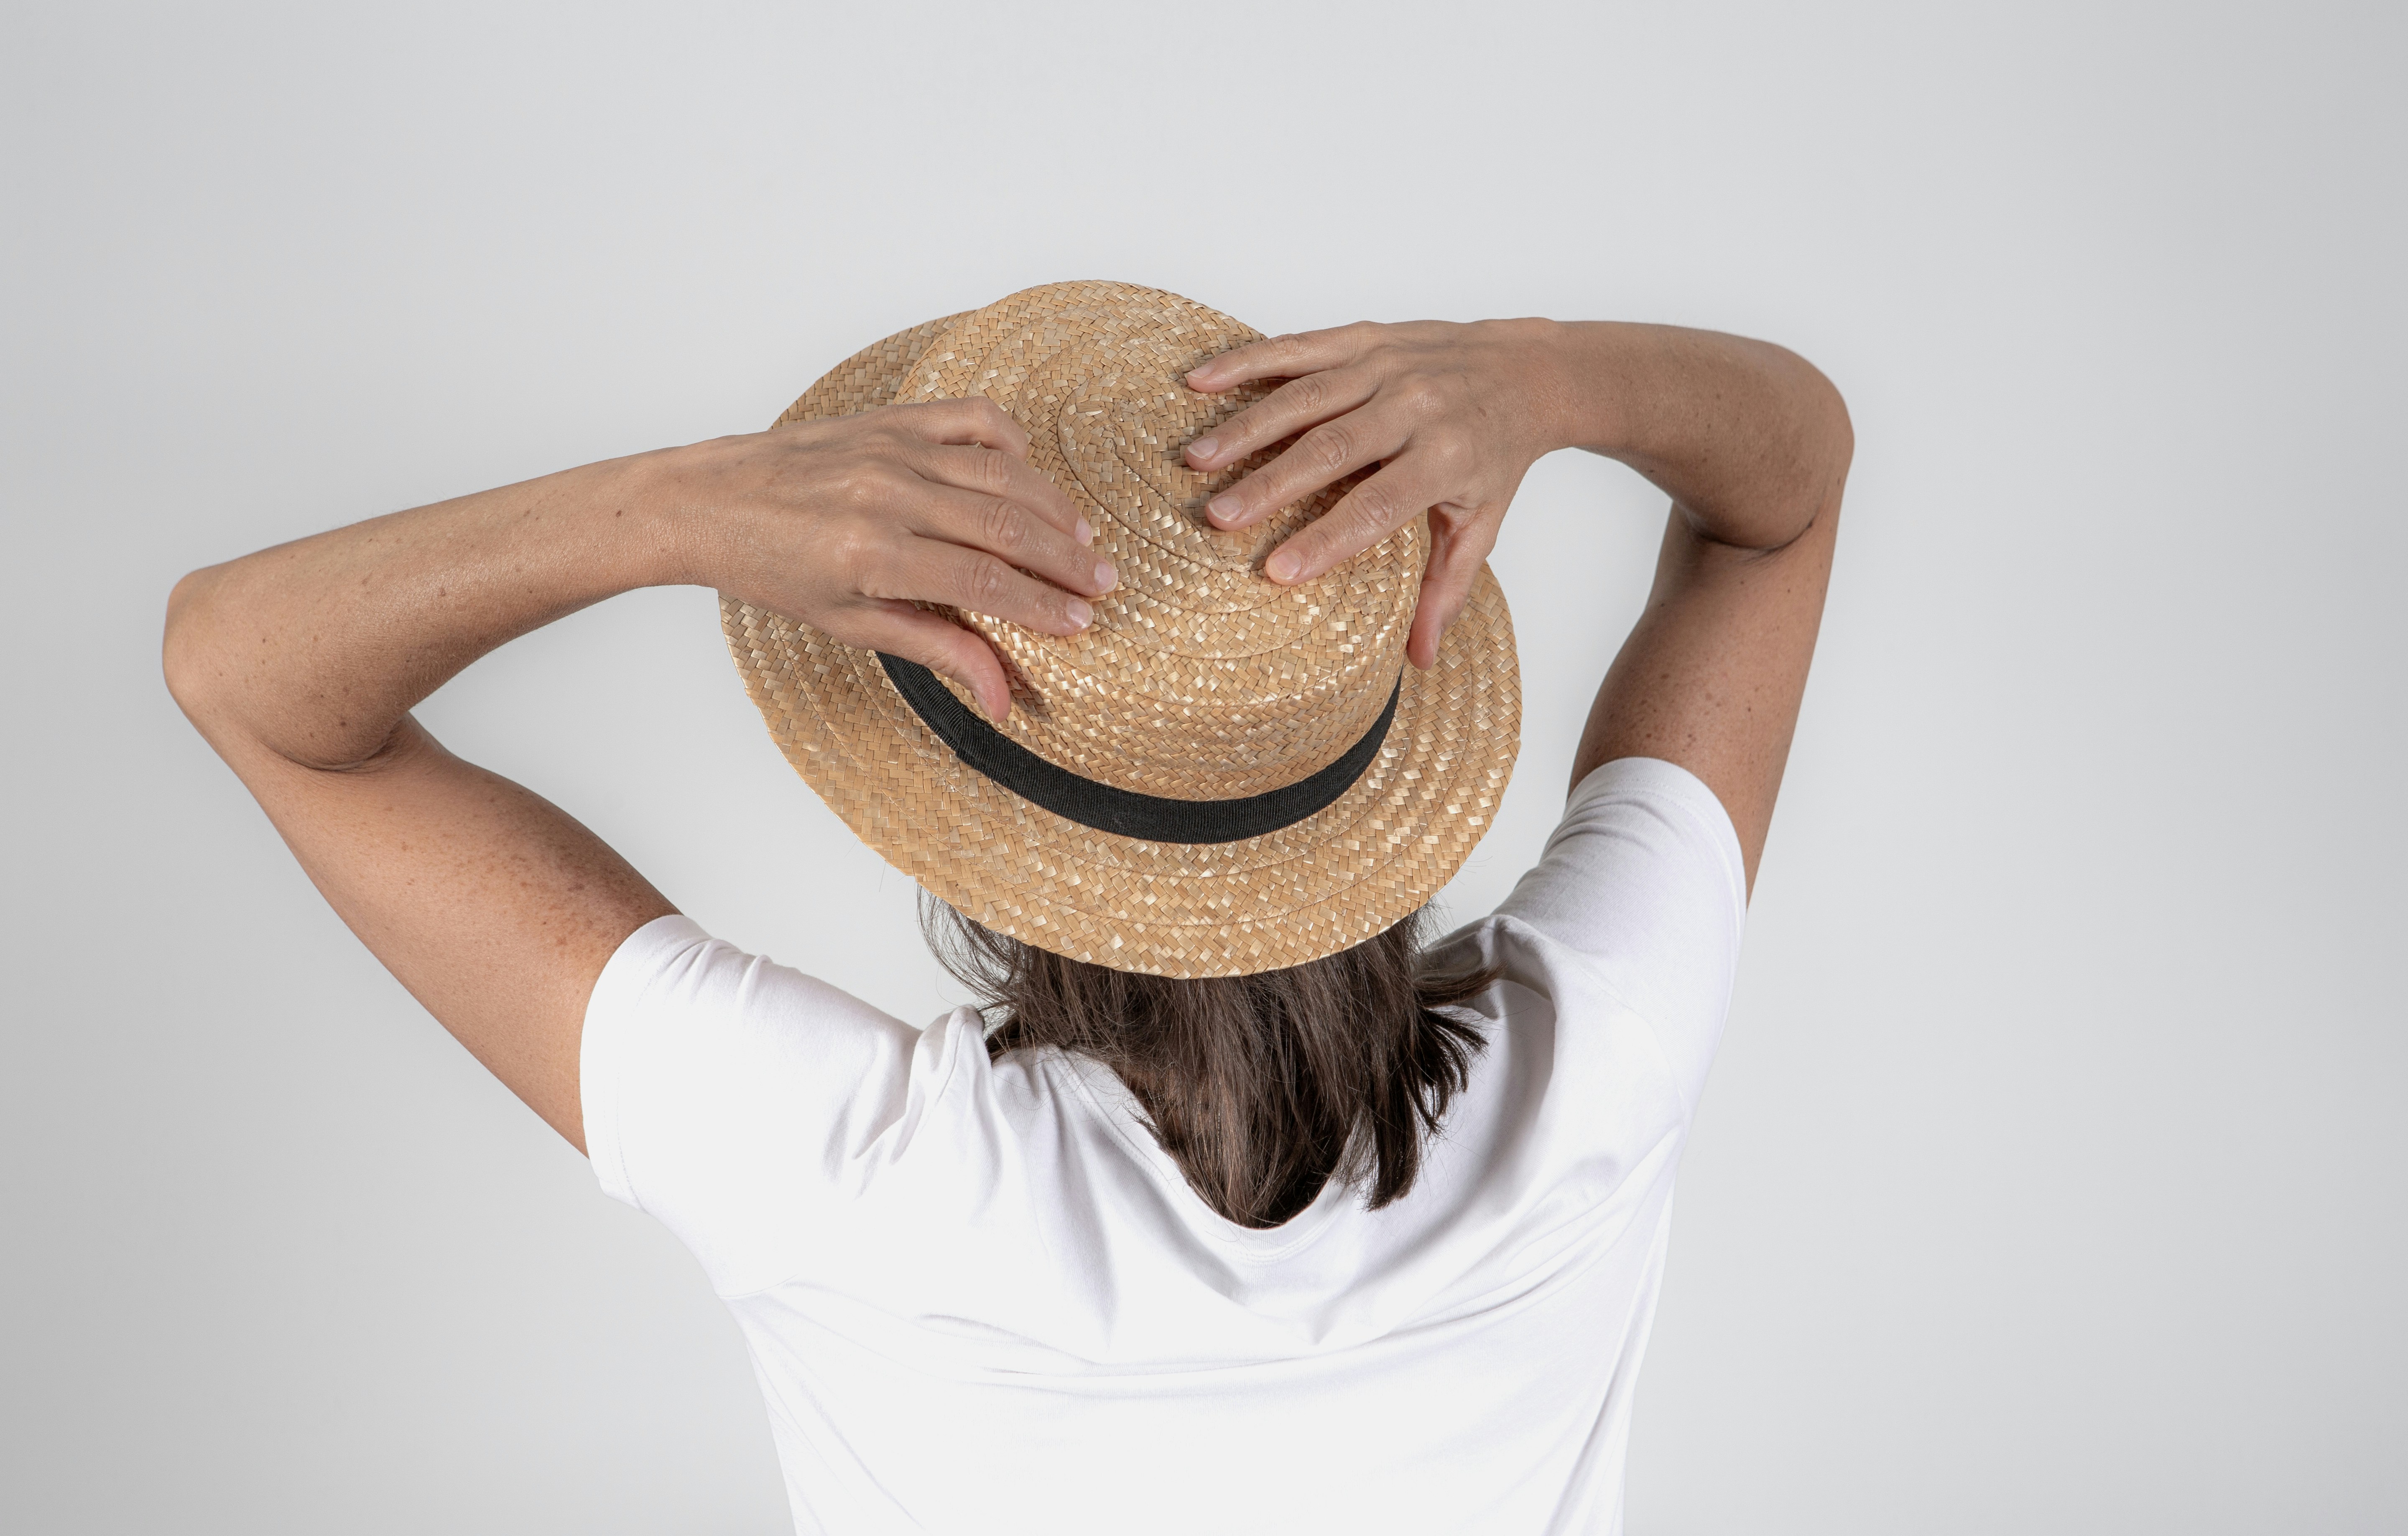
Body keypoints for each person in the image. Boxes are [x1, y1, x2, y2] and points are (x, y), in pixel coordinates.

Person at [165, 281, 1848, 1533]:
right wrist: (1545, 371)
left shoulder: (857, 1181)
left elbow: (245, 672)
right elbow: (1783, 496)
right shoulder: (1597, 1055)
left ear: (987, 834)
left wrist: (673, 507)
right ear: (1368, 739)